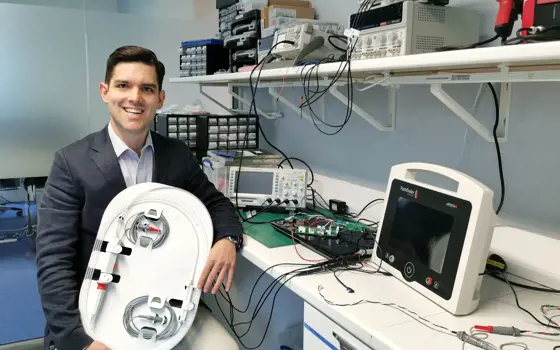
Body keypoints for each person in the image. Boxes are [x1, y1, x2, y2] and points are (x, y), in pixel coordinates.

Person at [35, 46, 243, 350]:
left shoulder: (177, 155)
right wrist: (80, 341)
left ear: (160, 99)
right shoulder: (71, 162)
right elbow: (53, 260)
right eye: (123, 86)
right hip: (96, 307)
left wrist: (227, 239)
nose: (135, 97)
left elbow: (214, 203)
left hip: (163, 304)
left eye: (147, 88)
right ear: (105, 92)